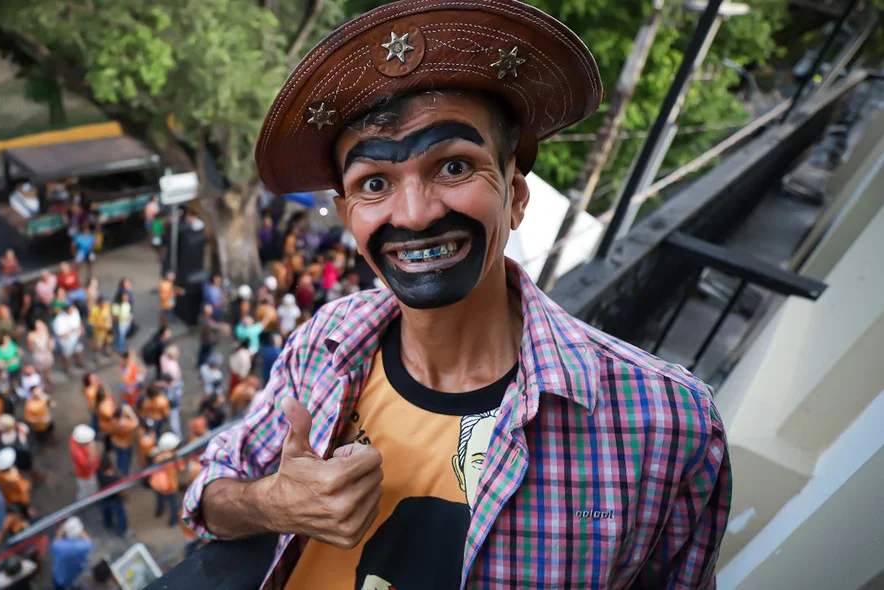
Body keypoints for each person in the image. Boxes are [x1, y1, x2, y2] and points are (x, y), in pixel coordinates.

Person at [182, 2, 732, 588]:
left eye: (453, 168)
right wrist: (273, 503)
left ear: (516, 197)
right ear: (348, 216)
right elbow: (209, 495)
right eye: (374, 183)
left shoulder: (667, 426)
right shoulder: (325, 342)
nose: (415, 215)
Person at [51, 517, 94, 590]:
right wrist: (80, 530)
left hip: (60, 576)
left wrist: (62, 529)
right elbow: (89, 541)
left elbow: (57, 539)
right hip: (76, 574)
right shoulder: (84, 545)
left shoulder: (58, 546)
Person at [148, 432, 182, 527]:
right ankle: (173, 520)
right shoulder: (171, 459)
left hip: (157, 483)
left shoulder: (155, 454)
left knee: (159, 499)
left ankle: (159, 511)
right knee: (173, 504)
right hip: (170, 485)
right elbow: (181, 468)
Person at [95, 453, 127, 536]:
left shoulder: (98, 471)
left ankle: (108, 524)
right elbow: (120, 491)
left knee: (106, 511)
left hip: (104, 496)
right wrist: (124, 496)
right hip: (115, 498)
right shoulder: (114, 478)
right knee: (120, 514)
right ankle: (121, 530)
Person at [53, 302, 86, 373]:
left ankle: (79, 363)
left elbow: (79, 321)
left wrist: (81, 328)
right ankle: (67, 369)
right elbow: (60, 335)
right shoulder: (59, 320)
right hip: (66, 341)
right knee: (67, 355)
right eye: (70, 309)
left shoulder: (75, 311)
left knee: (79, 350)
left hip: (76, 338)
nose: (72, 310)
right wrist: (71, 332)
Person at [107, 403, 138, 476]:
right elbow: (136, 423)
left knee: (118, 458)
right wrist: (130, 412)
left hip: (115, 442)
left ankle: (119, 470)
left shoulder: (111, 421)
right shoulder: (125, 424)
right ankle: (123, 474)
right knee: (125, 461)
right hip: (125, 445)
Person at [70, 424, 99, 500]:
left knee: (84, 486)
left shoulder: (74, 438)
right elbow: (89, 463)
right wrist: (92, 447)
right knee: (87, 490)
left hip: (85, 472)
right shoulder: (78, 453)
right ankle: (84, 502)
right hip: (86, 474)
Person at [26, 319, 54, 386]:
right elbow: (30, 347)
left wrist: (50, 342)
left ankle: (47, 379)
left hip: (46, 355)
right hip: (38, 356)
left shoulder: (47, 333)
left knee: (47, 369)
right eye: (38, 326)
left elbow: (51, 346)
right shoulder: (31, 335)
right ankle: (40, 383)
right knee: (38, 371)